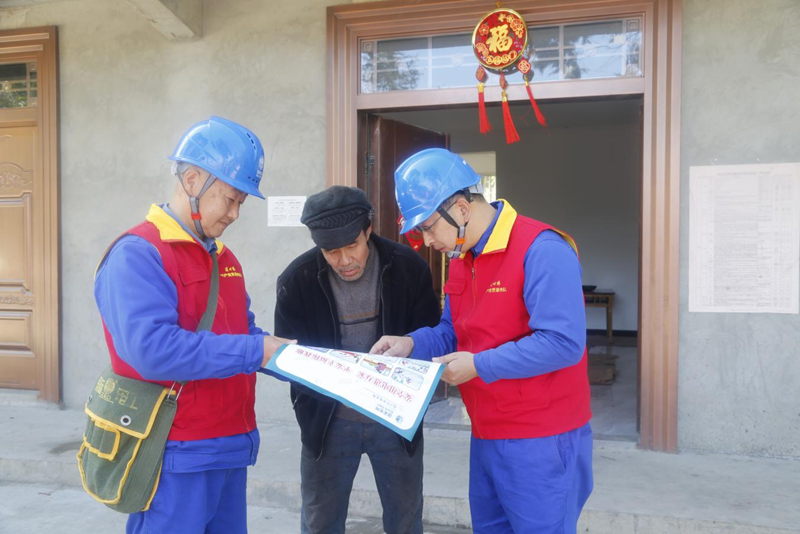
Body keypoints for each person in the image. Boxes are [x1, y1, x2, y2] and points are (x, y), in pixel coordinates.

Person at [371, 148, 593, 534]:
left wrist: (478, 365)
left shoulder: (542, 249)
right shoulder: (463, 258)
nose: (427, 241)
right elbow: (452, 330)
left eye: (428, 228)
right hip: (487, 433)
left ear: (461, 208)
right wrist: (410, 344)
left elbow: (562, 342)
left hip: (542, 438)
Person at [94, 116, 293, 533]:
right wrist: (257, 350)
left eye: (241, 203)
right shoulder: (139, 254)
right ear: (191, 180)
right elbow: (153, 350)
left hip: (230, 446)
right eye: (230, 199)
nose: (235, 213)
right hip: (175, 452)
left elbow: (242, 335)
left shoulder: (224, 258)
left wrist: (294, 359)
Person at [274, 186, 440, 534]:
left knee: (406, 521)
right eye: (331, 252)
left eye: (352, 246)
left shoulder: (409, 268)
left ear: (368, 230)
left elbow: (431, 339)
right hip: (328, 422)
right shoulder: (296, 280)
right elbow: (287, 358)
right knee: (320, 524)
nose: (344, 260)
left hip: (395, 420)